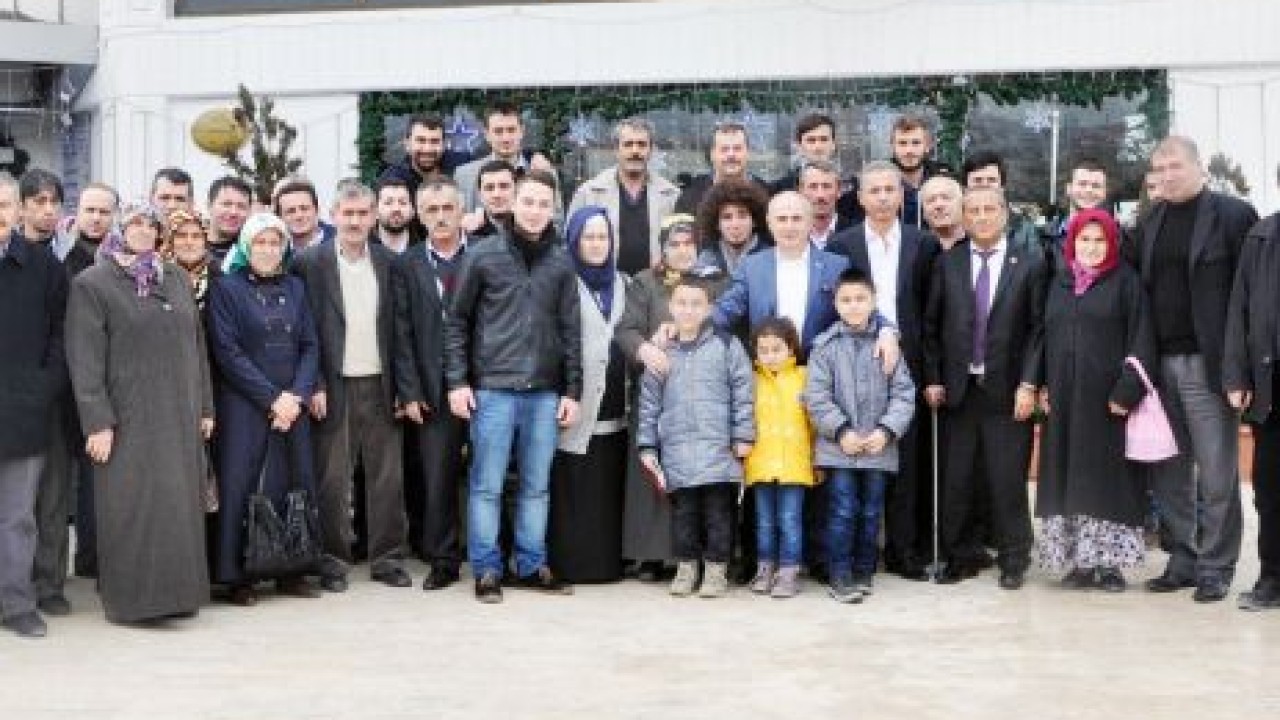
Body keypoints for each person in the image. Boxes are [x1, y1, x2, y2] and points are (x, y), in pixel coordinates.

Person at [1123, 136, 1259, 603]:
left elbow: (1249, 295)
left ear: (1199, 167)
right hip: (1158, 365)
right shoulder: (1150, 220)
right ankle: (1183, 558)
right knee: (1169, 471)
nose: (1167, 175)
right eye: (1159, 168)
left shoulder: (1234, 216)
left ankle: (1216, 566)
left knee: (1217, 473)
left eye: (1175, 166)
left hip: (1209, 365)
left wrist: (1241, 369)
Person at [65, 201, 214, 624]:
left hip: (179, 414)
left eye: (152, 224)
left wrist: (205, 406)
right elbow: (84, 359)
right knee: (132, 507)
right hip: (126, 419)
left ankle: (179, 597)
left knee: (178, 507)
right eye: (135, 223)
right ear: (119, 228)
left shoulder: (175, 278)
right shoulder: (93, 283)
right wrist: (97, 422)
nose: (144, 230)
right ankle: (133, 603)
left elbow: (197, 346)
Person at [445, 170, 581, 603]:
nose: (535, 211)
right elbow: (457, 322)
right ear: (513, 204)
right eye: (528, 202)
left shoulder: (561, 262)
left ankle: (530, 564)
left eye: (544, 204)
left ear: (553, 209)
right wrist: (457, 382)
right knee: (487, 485)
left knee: (536, 485)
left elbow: (571, 330)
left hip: (544, 391)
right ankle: (487, 569)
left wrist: (572, 391)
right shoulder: (483, 255)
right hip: (493, 389)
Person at [923, 186, 1047, 590]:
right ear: (963, 216)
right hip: (959, 389)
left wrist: (1029, 383)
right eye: (972, 210)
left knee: (1006, 479)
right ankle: (960, 555)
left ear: (1004, 213)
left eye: (988, 209)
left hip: (1009, 390)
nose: (980, 217)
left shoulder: (1029, 262)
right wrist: (933, 377)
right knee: (957, 479)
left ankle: (1014, 557)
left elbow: (1039, 330)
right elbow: (931, 326)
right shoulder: (949, 262)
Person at [829, 160, 941, 580]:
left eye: (889, 190)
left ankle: (903, 549)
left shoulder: (922, 244)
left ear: (902, 195)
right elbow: (837, 305)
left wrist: (930, 372)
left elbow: (931, 314)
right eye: (873, 191)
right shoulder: (842, 245)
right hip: (856, 361)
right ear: (859, 198)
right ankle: (855, 551)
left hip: (908, 363)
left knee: (905, 460)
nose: (881, 198)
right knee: (858, 457)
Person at [294, 180, 408, 592]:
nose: (356, 221)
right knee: (333, 479)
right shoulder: (309, 263)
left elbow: (401, 331)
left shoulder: (389, 263)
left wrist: (405, 388)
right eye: (348, 213)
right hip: (334, 384)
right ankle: (332, 561)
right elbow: (303, 331)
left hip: (381, 383)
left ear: (374, 216)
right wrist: (315, 384)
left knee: (387, 478)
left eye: (363, 213)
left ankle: (387, 559)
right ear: (333, 216)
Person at [1035, 209, 1157, 592]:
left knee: (1109, 482)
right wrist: (1041, 384)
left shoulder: (1127, 283)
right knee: (1068, 479)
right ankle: (1079, 565)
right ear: (1071, 243)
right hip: (1063, 403)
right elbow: (1044, 337)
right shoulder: (1060, 283)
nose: (1091, 247)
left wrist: (1127, 392)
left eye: (1099, 240)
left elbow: (1143, 340)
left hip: (1108, 405)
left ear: (1112, 243)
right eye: (1084, 239)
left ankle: (1110, 566)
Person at [206, 213, 322, 606]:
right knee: (241, 484)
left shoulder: (297, 287)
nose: (268, 250)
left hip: (292, 405)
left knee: (294, 482)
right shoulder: (226, 289)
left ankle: (291, 568)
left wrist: (297, 395)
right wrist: (272, 399)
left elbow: (310, 345)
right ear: (245, 247)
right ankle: (238, 577)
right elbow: (227, 351)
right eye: (260, 242)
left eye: (275, 243)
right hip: (245, 403)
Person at [636, 273, 755, 598]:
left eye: (696, 304)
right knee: (684, 515)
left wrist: (743, 435)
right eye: (682, 303)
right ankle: (687, 567)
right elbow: (649, 402)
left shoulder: (727, 345)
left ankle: (716, 569)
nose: (688, 310)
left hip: (719, 450)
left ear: (709, 309)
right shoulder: (662, 351)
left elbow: (744, 393)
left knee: (718, 514)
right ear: (671, 307)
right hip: (678, 451)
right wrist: (647, 443)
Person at [805, 268, 916, 603]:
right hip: (839, 448)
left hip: (878, 448)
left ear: (873, 301)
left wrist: (886, 431)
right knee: (842, 509)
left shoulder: (888, 348)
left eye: (860, 299)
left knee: (870, 511)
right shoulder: (825, 347)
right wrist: (841, 431)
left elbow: (904, 394)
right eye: (846, 300)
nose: (853, 306)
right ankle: (839, 574)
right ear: (835, 304)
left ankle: (863, 570)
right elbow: (817, 397)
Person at [614, 214, 711, 581]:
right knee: (650, 471)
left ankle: (694, 554)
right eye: (675, 244)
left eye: (689, 244)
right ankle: (651, 554)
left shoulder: (714, 281)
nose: (683, 251)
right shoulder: (645, 282)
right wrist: (643, 349)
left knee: (696, 476)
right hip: (656, 391)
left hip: (700, 395)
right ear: (663, 248)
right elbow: (626, 329)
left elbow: (724, 323)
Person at [392, 179, 471, 590]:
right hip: (431, 387)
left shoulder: (485, 254)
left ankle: (498, 553)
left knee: (492, 472)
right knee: (437, 476)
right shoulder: (406, 265)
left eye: (447, 208)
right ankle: (443, 559)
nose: (441, 217)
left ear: (461, 210)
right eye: (431, 210)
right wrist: (409, 392)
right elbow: (401, 332)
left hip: (483, 382)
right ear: (419, 216)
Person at [0, 172, 67, 638]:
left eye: (3, 205)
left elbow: (62, 334)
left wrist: (43, 387)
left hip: (24, 411)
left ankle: (17, 603)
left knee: (18, 517)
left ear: (16, 210)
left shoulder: (44, 267)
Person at [548, 207, 629, 583]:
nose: (597, 245)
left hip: (617, 406)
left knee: (607, 488)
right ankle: (570, 564)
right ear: (574, 242)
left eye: (603, 237)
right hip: (576, 402)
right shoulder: (562, 282)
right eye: (588, 237)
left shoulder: (626, 283)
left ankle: (608, 564)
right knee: (574, 486)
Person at [17, 169, 75, 617]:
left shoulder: (66, 261)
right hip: (13, 397)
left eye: (54, 202)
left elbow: (65, 334)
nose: (48, 210)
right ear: (22, 207)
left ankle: (49, 583)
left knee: (53, 496)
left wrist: (48, 384)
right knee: (15, 500)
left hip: (55, 399)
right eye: (39, 202)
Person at [1224, 175, 1280, 611]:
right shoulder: (1260, 238)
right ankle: (1272, 578)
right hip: (1271, 382)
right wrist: (1236, 376)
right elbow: (1239, 309)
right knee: (1270, 487)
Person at [60, 182, 118, 581]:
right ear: (77, 213)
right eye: (90, 211)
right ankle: (89, 558)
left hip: (116, 381)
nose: (96, 218)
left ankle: (105, 555)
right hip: (77, 382)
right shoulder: (66, 262)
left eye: (103, 211)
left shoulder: (122, 260)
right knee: (87, 475)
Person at [743, 317, 813, 598]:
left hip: (794, 464)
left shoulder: (804, 378)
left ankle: (788, 572)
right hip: (760, 463)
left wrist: (817, 460)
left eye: (776, 349)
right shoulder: (751, 381)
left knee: (790, 519)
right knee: (764, 521)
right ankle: (765, 569)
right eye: (763, 350)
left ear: (791, 348)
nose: (770, 356)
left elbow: (814, 424)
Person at [568, 118, 680, 276]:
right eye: (628, 144)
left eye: (642, 144)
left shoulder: (671, 195)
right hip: (604, 285)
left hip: (656, 285)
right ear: (616, 149)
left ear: (651, 150)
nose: (635, 151)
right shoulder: (588, 193)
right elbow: (571, 244)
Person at [453, 102, 562, 216]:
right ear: (487, 134)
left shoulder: (544, 171)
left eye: (511, 130)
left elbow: (557, 219)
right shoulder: (464, 175)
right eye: (498, 131)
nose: (506, 138)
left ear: (522, 131)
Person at [674, 121, 771, 215]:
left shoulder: (766, 194)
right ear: (712, 154)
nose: (731, 155)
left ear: (747, 153)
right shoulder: (690, 198)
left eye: (737, 148)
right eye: (724, 149)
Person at [961, 150, 1040, 251]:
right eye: (977, 180)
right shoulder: (957, 226)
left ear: (1002, 187)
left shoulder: (1023, 229)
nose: (985, 185)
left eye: (992, 180)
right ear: (965, 188)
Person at [695, 177, 771, 276]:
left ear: (754, 221)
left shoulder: (770, 257)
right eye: (727, 217)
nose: (735, 224)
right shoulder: (707, 259)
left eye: (742, 216)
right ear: (717, 224)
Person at [165, 209, 220, 312]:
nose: (189, 242)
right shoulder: (158, 276)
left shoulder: (219, 278)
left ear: (205, 242)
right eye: (181, 235)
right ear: (171, 241)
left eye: (196, 236)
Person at [797, 160, 851, 251]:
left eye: (826, 186)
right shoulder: (787, 234)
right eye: (813, 186)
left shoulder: (857, 234)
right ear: (801, 191)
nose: (820, 195)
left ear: (839, 191)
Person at [274, 176, 336, 250]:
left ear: (317, 210)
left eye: (304, 209)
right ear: (279, 217)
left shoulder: (340, 243)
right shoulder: (273, 250)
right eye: (291, 211)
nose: (299, 216)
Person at [466, 159, 517, 241]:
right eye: (489, 188)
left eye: (504, 186)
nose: (497, 194)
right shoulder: (468, 235)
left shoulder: (530, 229)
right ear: (480, 195)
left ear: (517, 190)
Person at [207, 176, 253, 264]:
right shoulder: (188, 245)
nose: (233, 212)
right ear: (209, 206)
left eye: (241, 206)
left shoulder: (253, 254)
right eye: (226, 204)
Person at [920, 175, 967, 251]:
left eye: (946, 198)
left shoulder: (979, 244)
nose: (938, 205)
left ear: (962, 204)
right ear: (924, 212)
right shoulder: (916, 250)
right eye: (931, 200)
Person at [373, 177, 418, 254]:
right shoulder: (362, 250)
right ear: (375, 211)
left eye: (403, 203)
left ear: (413, 211)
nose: (396, 208)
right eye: (388, 203)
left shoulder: (426, 253)